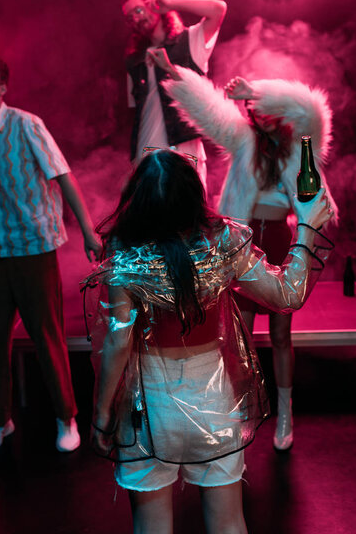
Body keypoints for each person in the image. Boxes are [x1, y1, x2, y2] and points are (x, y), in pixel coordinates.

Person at [81, 149, 333, 534]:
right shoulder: (222, 243)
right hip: (212, 401)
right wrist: (308, 228)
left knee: (152, 527)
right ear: (193, 197)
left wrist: (101, 418)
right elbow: (287, 295)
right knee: (228, 524)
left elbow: (117, 342)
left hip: (148, 404)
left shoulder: (124, 253)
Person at [147, 49, 338, 452]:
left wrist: (256, 90)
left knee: (283, 334)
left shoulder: (303, 140)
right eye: (253, 105)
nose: (258, 111)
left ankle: (285, 414)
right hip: (247, 241)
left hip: (282, 240)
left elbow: (312, 107)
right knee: (241, 334)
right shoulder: (244, 139)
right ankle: (242, 412)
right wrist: (171, 70)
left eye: (263, 104)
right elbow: (209, 111)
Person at [0, 52, 101, 453]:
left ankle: (66, 418)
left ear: (2, 88)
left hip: (33, 247)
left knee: (46, 336)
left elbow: (63, 177)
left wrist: (88, 231)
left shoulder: (26, 125)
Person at [121, 0, 227, 185]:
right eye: (130, 17)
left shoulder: (189, 41)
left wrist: (171, 4)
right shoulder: (134, 61)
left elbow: (218, 9)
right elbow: (135, 116)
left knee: (189, 214)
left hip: (184, 155)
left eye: (138, 10)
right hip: (147, 159)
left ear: (154, 5)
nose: (136, 19)